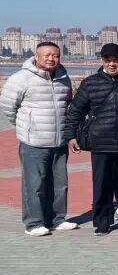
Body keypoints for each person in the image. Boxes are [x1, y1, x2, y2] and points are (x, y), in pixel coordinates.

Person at [64, 43, 118, 235]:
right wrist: (70, 136)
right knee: (102, 185)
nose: (112, 63)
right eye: (108, 60)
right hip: (101, 143)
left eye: (116, 60)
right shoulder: (90, 83)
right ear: (102, 61)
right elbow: (75, 112)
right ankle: (102, 221)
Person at [0, 41, 75, 236]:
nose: (51, 59)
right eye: (47, 55)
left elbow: (68, 104)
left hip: (59, 141)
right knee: (34, 184)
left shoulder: (63, 78)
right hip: (34, 142)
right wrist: (26, 127)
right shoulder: (21, 78)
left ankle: (57, 219)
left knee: (60, 184)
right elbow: (8, 107)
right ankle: (33, 223)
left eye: (55, 56)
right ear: (36, 56)